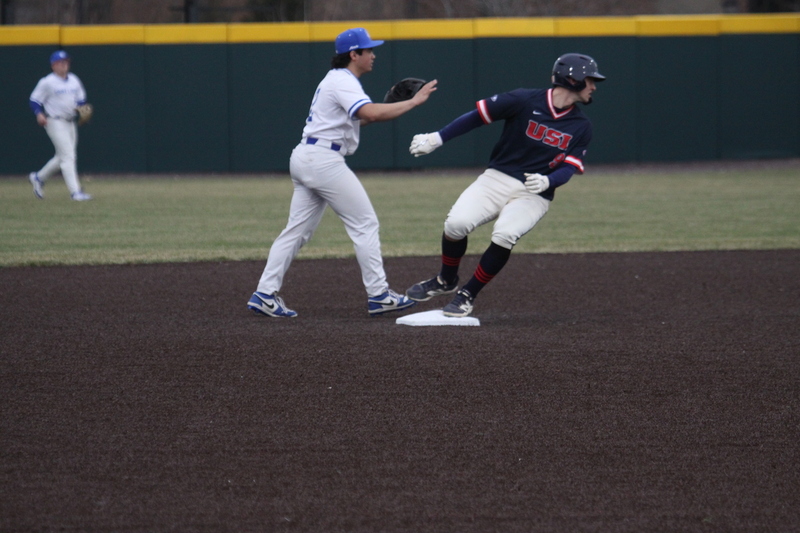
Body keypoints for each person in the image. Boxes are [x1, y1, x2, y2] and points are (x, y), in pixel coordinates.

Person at [247, 27, 438, 318]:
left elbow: (358, 121)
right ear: (354, 54)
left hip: (306, 156)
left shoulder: (336, 80)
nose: (373, 55)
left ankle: (264, 293)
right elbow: (370, 114)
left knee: (296, 231)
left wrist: (389, 108)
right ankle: (379, 295)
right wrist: (412, 102)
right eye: (369, 50)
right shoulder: (343, 81)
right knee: (365, 224)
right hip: (323, 160)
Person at [405, 53, 606, 317]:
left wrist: (549, 180)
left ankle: (467, 294)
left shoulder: (582, 126)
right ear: (572, 79)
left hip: (535, 193)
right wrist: (438, 138)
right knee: (456, 225)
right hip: (497, 177)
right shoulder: (524, 99)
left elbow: (569, 168)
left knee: (504, 235)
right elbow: (477, 116)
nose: (594, 86)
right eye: (590, 79)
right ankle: (446, 280)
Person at [28, 50, 92, 201]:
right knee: (68, 156)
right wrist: (39, 113)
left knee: (62, 157)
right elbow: (34, 100)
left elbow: (81, 100)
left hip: (70, 121)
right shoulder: (47, 82)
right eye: (61, 62)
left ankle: (38, 178)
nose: (64, 65)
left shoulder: (74, 80)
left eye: (66, 62)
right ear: (53, 65)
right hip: (54, 121)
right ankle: (75, 192)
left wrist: (81, 109)